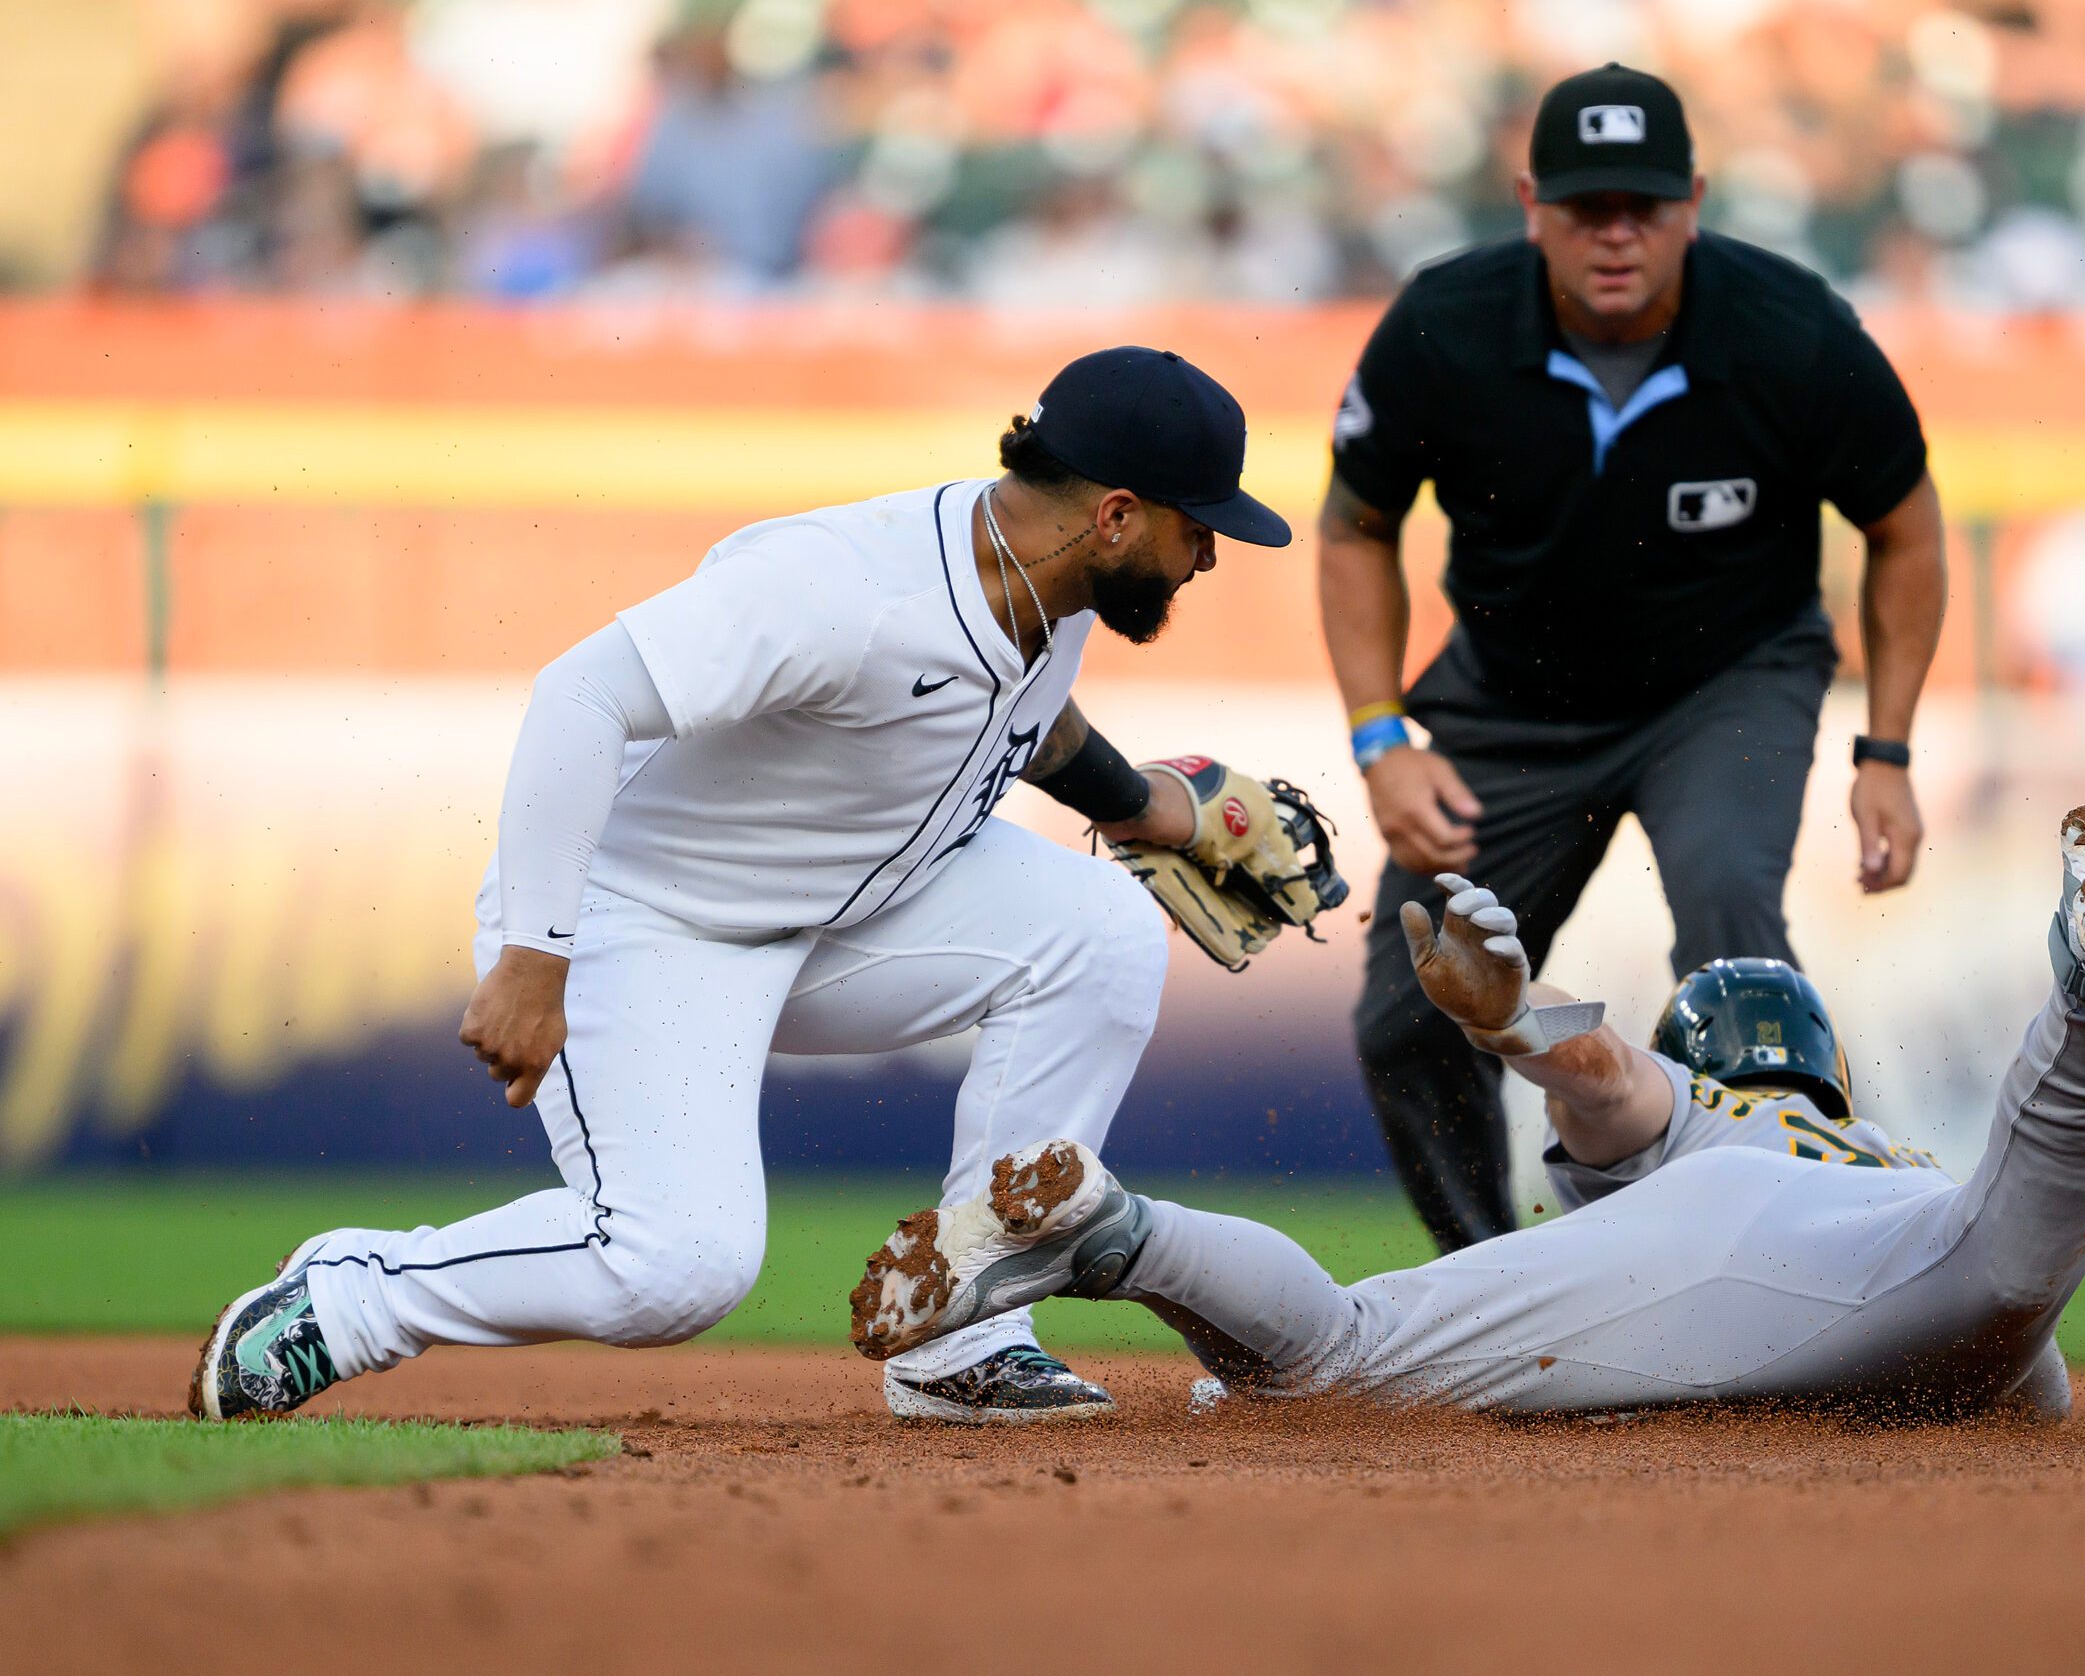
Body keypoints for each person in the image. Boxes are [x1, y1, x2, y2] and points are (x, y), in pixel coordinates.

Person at [192, 347, 1296, 1424]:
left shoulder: (1041, 581)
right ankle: (352, 1296)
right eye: (1194, 527)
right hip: (653, 924)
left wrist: (1141, 808)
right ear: (1111, 516)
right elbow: (581, 695)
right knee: (676, 1267)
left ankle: (964, 1334)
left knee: (1102, 926)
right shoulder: (843, 587)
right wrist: (537, 954)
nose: (1205, 556)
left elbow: (1021, 713)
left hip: (847, 915)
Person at [852, 792, 2085, 1421]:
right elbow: (2020, 1374)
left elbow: (1605, 1075)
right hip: (1935, 1231)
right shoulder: (1872, 1144)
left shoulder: (1717, 1113)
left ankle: (1115, 1228)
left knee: (1340, 1356)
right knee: (2021, 1249)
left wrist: (1507, 1017)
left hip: (1736, 1237)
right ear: (1827, 1063)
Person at [1318, 62, 1948, 1252]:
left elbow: (1905, 527)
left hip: (1727, 679)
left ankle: (1774, 1258)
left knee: (1732, 931)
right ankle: (1488, 1282)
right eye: (1585, 206)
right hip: (1511, 702)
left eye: (1643, 207)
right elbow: (1354, 528)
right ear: (1528, 202)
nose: (1616, 234)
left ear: (1694, 201)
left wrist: (1887, 749)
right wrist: (1379, 737)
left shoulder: (1790, 330)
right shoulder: (1442, 328)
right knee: (1410, 1012)